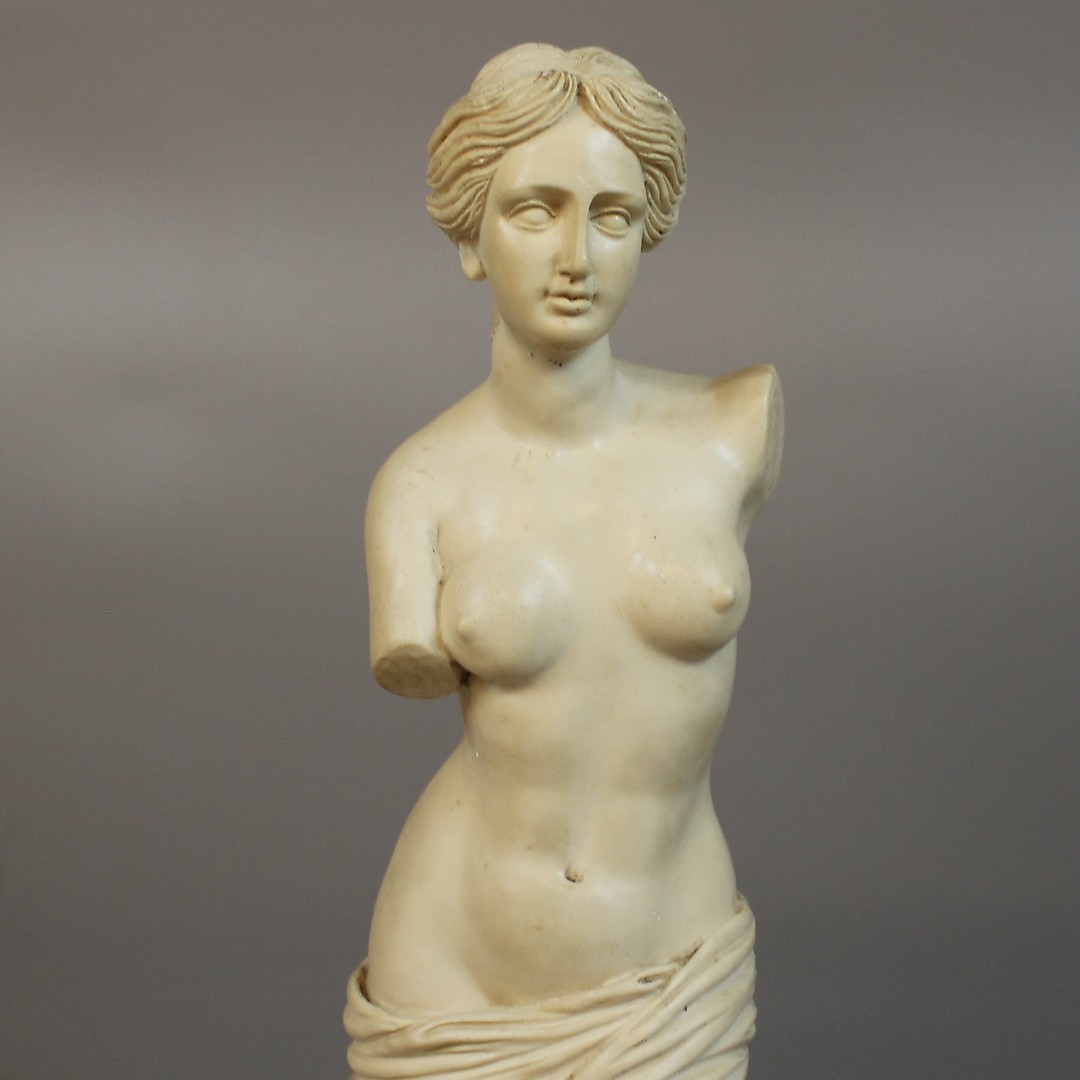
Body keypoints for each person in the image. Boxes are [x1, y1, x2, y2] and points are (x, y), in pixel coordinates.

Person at [345, 43, 782, 1079]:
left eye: (613, 216)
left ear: (649, 230)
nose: (575, 255)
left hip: (674, 968)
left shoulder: (735, 425)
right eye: (533, 211)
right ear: (471, 236)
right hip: (454, 968)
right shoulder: (420, 487)